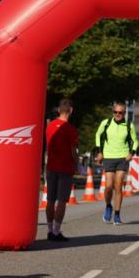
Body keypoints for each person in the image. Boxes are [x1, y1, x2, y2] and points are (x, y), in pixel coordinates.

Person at [94, 102, 139, 225]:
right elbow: (98, 135)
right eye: (116, 112)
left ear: (124, 113)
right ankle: (108, 206)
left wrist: (132, 153)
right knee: (108, 186)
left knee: (118, 185)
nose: (118, 114)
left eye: (121, 112)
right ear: (113, 112)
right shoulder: (106, 123)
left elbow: (135, 141)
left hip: (122, 158)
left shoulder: (129, 125)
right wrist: (100, 152)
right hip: (108, 157)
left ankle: (117, 214)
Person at [44, 98, 79, 241]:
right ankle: (56, 232)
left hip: (51, 167)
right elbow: (73, 151)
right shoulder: (71, 130)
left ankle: (50, 229)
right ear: (71, 110)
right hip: (65, 168)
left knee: (50, 200)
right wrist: (76, 165)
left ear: (59, 110)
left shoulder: (49, 126)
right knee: (62, 201)